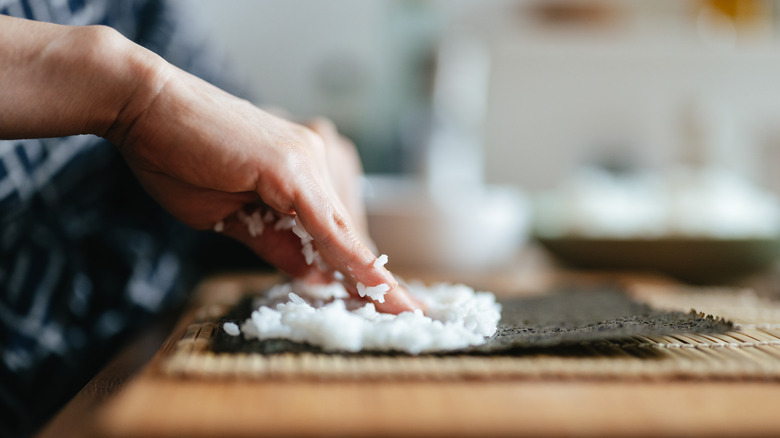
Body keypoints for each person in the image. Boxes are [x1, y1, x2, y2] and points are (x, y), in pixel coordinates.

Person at [0, 1, 420, 436]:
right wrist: (133, 96)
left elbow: (214, 104)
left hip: (155, 351)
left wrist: (278, 137)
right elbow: (157, 92)